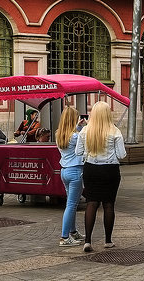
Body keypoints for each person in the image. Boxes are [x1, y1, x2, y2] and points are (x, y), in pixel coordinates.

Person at [75, 100, 127, 253]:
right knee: (108, 204)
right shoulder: (115, 131)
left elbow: (78, 153)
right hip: (110, 170)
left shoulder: (84, 131)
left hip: (91, 169)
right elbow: (122, 155)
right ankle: (108, 240)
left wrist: (89, 154)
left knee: (92, 203)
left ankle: (88, 241)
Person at [54, 104, 86, 246]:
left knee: (70, 203)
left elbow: (73, 138)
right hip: (75, 171)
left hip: (64, 171)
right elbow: (82, 143)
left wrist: (78, 128)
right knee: (72, 205)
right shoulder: (75, 136)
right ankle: (65, 237)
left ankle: (73, 232)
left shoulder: (58, 134)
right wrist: (85, 127)